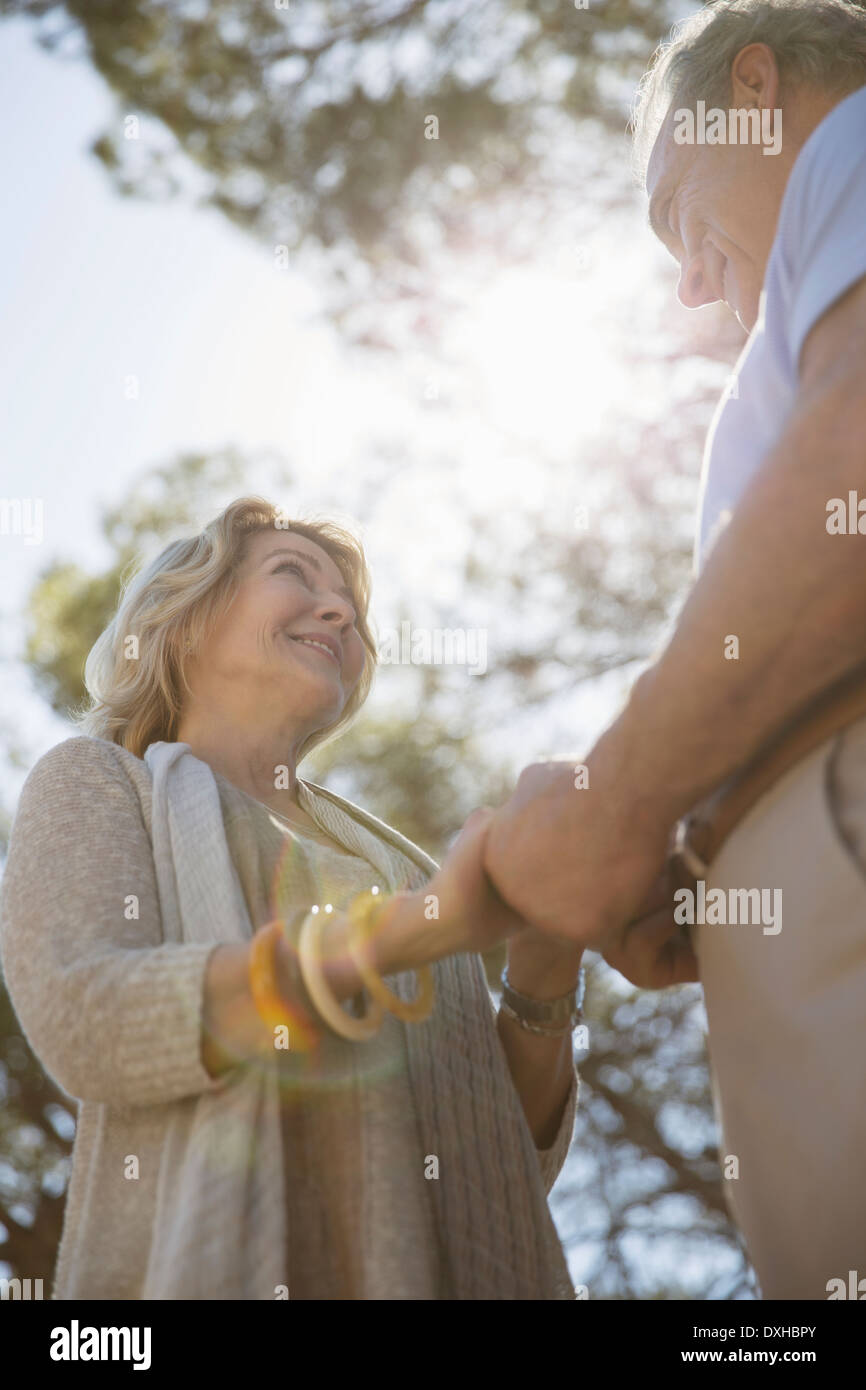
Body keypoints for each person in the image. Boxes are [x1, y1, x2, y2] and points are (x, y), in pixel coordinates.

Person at [483, 0, 866, 1300]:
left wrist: (623, 802)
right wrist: (692, 839)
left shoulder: (851, 145)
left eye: (672, 209)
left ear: (750, 86)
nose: (691, 285)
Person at [0, 496, 583, 1300]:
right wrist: (392, 943)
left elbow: (501, 1163)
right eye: (292, 574)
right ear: (185, 618)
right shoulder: (100, 783)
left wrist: (546, 960)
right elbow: (88, 1018)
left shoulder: (402, 869)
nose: (342, 611)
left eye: (350, 603)